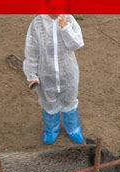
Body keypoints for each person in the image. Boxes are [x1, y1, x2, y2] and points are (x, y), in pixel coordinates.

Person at [23, 14, 85, 145]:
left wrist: (65, 28)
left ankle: (73, 128)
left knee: (70, 101)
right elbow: (31, 50)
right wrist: (31, 74)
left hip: (68, 73)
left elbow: (77, 44)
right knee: (49, 103)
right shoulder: (37, 23)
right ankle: (51, 129)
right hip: (46, 74)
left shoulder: (69, 19)